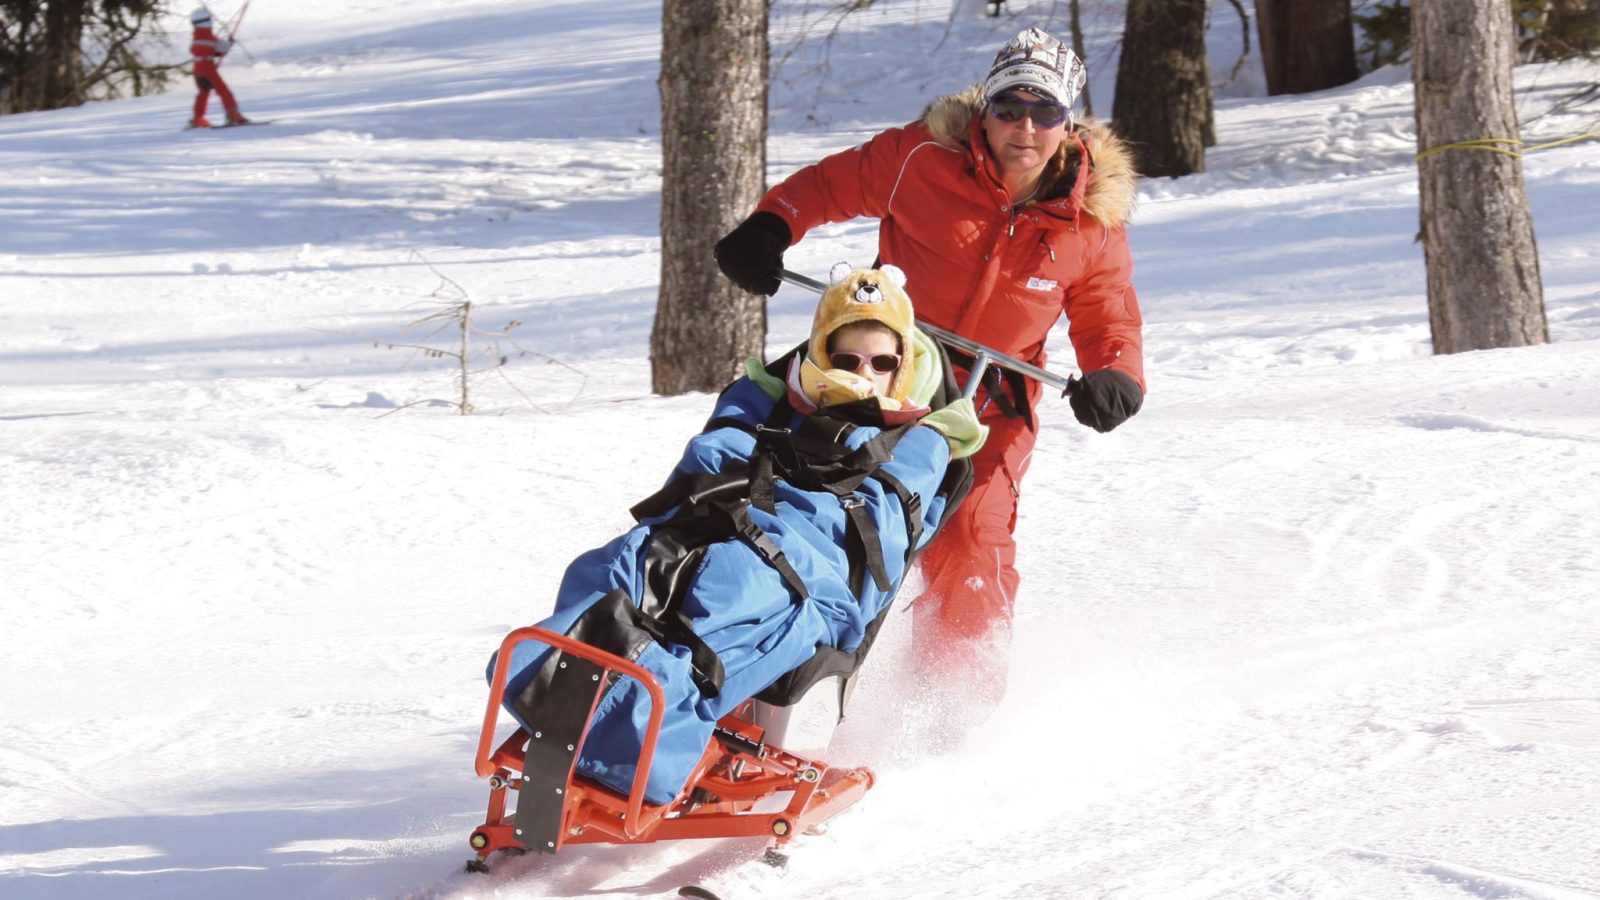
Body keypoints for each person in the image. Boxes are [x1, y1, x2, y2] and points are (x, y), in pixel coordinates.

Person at [713, 27, 1146, 717]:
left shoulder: (1091, 220)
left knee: (972, 535)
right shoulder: (922, 157)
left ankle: (953, 711)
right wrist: (773, 225)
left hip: (990, 407)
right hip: (886, 378)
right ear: (984, 111)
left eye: (1045, 112)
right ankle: (737, 681)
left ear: (1069, 125)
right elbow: (832, 183)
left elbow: (1108, 312)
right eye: (1009, 107)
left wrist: (1115, 372)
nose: (1024, 127)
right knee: (808, 510)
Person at [493, 264, 985, 804]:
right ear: (820, 360)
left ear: (903, 371)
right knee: (615, 564)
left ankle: (642, 732)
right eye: (845, 359)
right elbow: (710, 456)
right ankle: (559, 684)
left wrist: (920, 436)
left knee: (725, 595)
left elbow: (879, 524)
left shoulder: (918, 439)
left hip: (808, 574)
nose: (861, 374)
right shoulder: (776, 403)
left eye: (880, 362)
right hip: (714, 525)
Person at [188, 7, 250, 128]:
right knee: (223, 91)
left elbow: (209, 49)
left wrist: (219, 50)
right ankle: (232, 114)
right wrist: (229, 43)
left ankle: (197, 118)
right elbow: (221, 48)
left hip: (197, 70)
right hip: (208, 69)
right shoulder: (208, 37)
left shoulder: (197, 37)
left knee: (203, 93)